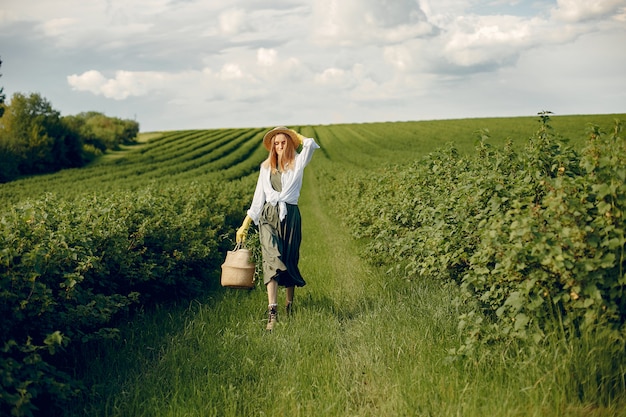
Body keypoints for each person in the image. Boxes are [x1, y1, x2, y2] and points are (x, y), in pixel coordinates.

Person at [236, 126, 320, 331]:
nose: (280, 146)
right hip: (268, 217)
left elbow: (309, 144)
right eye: (276, 143)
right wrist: (244, 225)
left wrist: (293, 134)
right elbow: (258, 200)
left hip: (290, 216)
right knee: (271, 259)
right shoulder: (266, 168)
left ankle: (289, 306)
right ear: (272, 147)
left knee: (289, 259)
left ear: (290, 144)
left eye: (284, 142)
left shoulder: (297, 163)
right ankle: (272, 313)